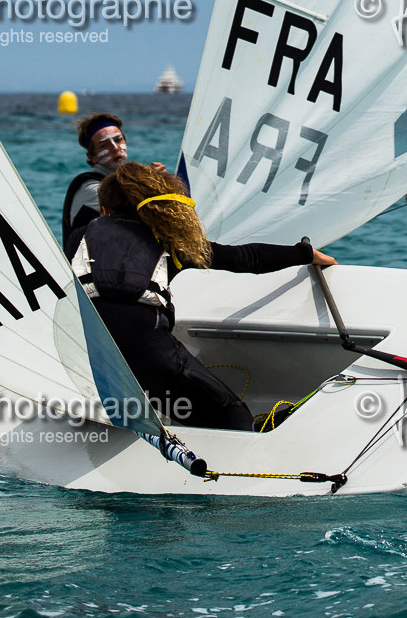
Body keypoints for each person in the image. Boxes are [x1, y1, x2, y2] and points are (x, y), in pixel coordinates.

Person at [71, 160, 337, 431]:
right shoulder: (169, 242)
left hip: (88, 356)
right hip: (151, 356)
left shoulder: (79, 238)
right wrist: (305, 253)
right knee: (234, 416)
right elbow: (245, 258)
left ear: (104, 210)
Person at [60, 111, 128, 255]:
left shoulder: (123, 181)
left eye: (118, 140)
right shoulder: (90, 187)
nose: (115, 148)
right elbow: (129, 210)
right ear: (92, 157)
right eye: (104, 145)